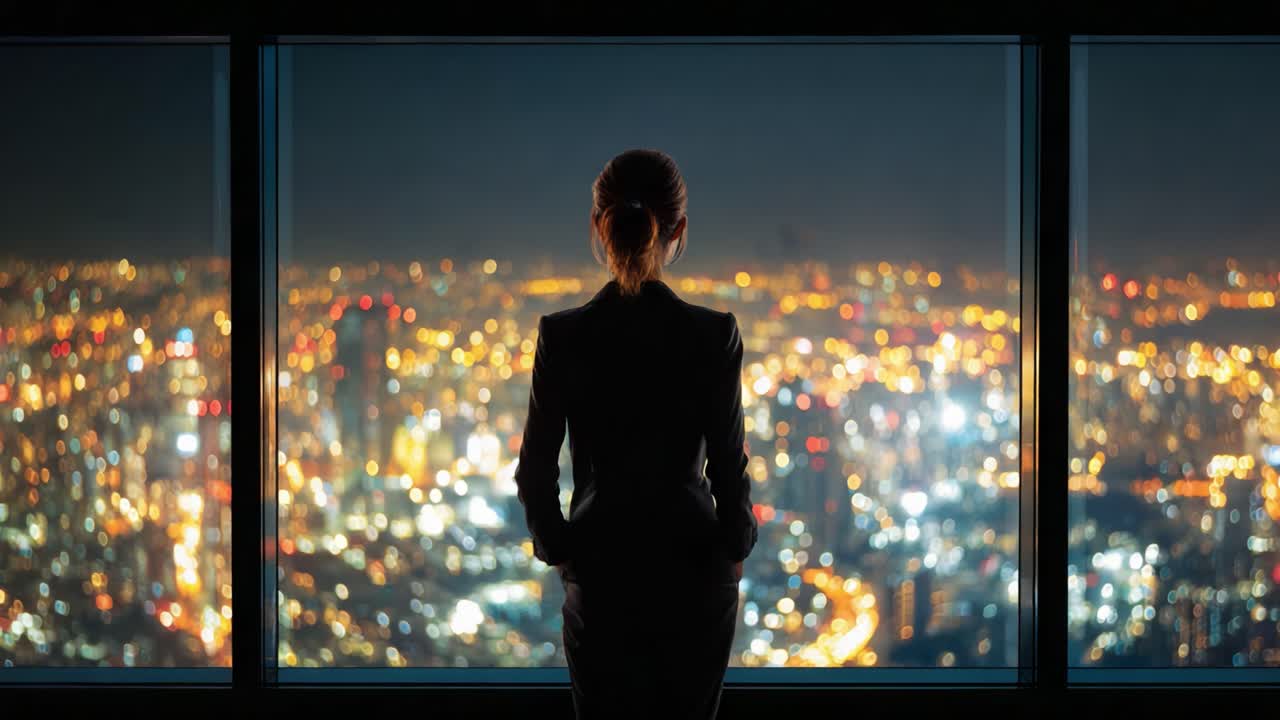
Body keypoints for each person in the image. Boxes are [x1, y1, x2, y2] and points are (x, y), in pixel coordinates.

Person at [513, 148, 760, 719]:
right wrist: (733, 546)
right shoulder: (712, 334)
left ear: (598, 227)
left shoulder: (564, 336)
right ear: (679, 230)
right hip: (696, 574)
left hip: (603, 574)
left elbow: (535, 469)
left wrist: (564, 552)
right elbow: (729, 467)